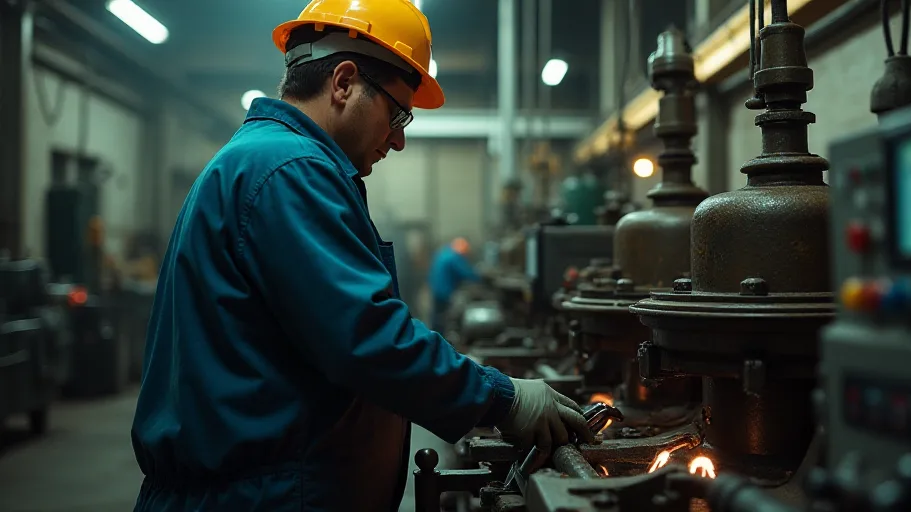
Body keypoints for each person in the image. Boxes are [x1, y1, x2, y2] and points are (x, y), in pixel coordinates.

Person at [129, 1, 594, 511]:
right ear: (344, 82)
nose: (397, 140)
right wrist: (502, 398)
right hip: (261, 497)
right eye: (398, 114)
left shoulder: (262, 160)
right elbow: (366, 337)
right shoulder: (290, 170)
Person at [428, 237, 480, 332]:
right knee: (444, 316)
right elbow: (465, 273)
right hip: (445, 291)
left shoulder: (443, 253)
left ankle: (435, 334)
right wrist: (479, 277)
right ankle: (441, 337)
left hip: (436, 289)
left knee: (437, 315)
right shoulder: (453, 257)